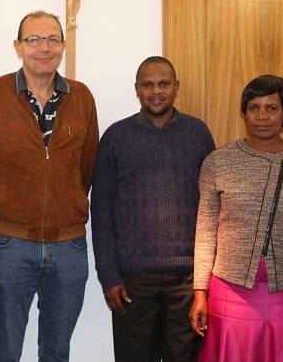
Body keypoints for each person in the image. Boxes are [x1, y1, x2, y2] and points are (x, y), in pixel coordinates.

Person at [0, 10, 99, 362]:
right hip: (8, 245)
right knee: (5, 349)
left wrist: (66, 208)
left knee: (57, 351)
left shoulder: (81, 97)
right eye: (34, 39)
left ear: (63, 46)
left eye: (52, 39)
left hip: (68, 247)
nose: (44, 47)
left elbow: (87, 168)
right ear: (18, 46)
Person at [190, 75, 283, 362]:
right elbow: (206, 230)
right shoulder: (218, 162)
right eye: (254, 108)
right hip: (230, 290)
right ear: (244, 112)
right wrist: (200, 291)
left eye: (271, 108)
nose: (261, 116)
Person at [91, 56, 215, 361]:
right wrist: (108, 275)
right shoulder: (116, 138)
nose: (156, 91)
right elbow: (101, 211)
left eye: (163, 84)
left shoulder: (198, 134)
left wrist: (206, 279)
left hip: (187, 279)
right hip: (132, 280)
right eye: (148, 85)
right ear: (137, 89)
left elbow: (213, 209)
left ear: (176, 87)